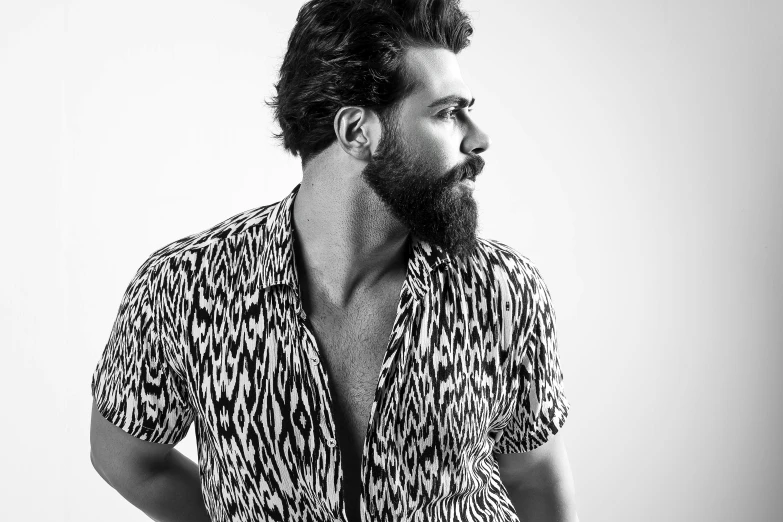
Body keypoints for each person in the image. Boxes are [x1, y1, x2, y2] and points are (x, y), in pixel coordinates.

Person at [89, 0, 578, 520]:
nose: (477, 139)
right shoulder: (186, 288)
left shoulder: (501, 291)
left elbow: (533, 475)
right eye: (447, 112)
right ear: (356, 132)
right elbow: (126, 457)